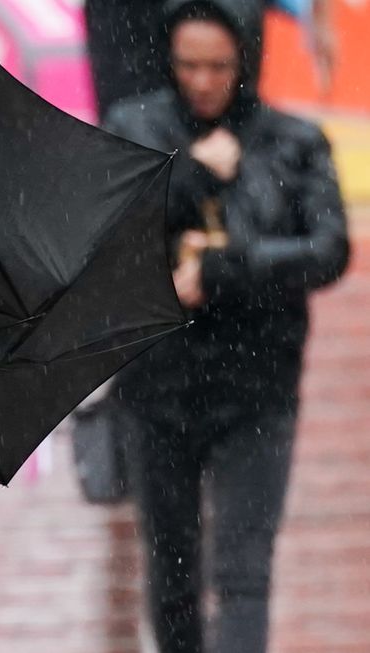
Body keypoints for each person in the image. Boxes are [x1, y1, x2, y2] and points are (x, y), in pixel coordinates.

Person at [101, 1, 349, 651]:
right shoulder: (134, 126)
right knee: (174, 573)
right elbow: (108, 238)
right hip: (156, 390)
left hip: (257, 387)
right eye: (188, 65)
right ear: (167, 59)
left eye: (218, 66)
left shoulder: (292, 140)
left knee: (243, 573)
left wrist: (223, 266)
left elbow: (328, 249)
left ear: (246, 59)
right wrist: (192, 174)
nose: (204, 81)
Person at [84, 0, 337, 120]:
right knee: (131, 136)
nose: (202, 83)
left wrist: (318, 13)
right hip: (128, 27)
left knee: (237, 131)